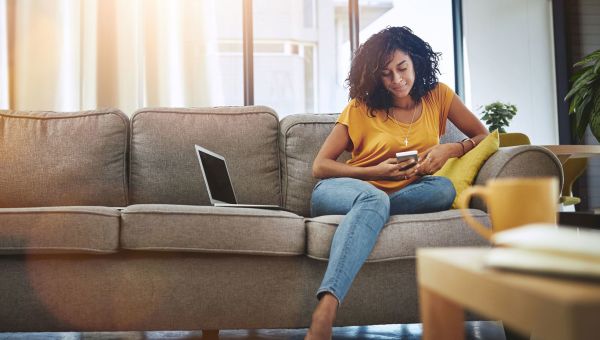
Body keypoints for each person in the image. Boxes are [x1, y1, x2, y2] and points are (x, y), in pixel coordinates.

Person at [305, 26, 489, 340]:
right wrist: (376, 172)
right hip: (343, 191)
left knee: (443, 189)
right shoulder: (361, 108)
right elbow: (320, 166)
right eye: (386, 74)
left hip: (407, 192)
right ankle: (325, 311)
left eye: (402, 68)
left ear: (415, 61)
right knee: (374, 200)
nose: (397, 79)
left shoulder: (439, 96)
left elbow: (482, 135)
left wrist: (451, 148)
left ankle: (373, 215)